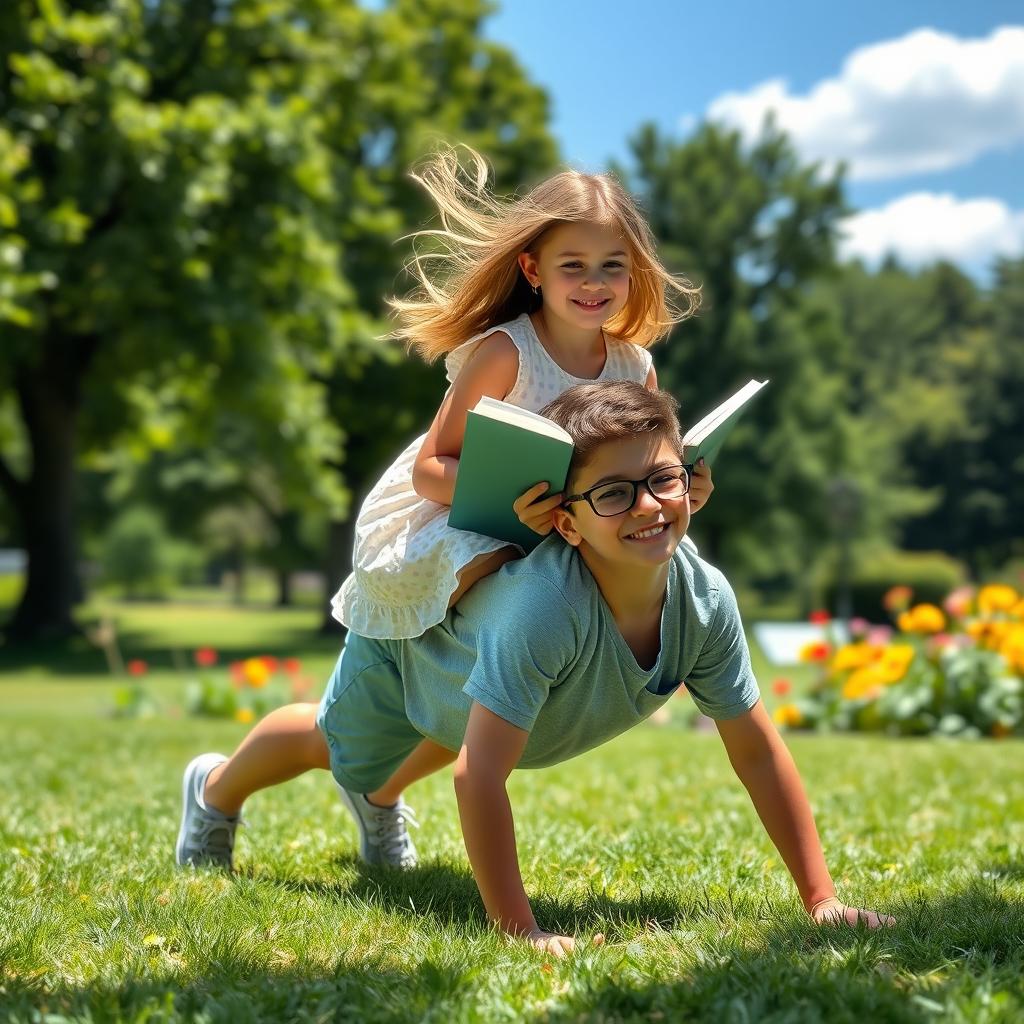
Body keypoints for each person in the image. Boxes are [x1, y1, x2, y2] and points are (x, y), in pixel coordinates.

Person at [176, 381, 895, 955]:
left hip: (476, 694)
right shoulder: (544, 609)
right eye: (614, 493)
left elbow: (758, 750)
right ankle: (214, 790)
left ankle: (379, 802)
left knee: (466, 728)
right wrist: (521, 930)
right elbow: (478, 775)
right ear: (566, 522)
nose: (647, 506)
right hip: (412, 656)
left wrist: (821, 900)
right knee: (334, 749)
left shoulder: (705, 601)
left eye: (664, 479)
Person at [332, 145, 710, 644]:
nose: (594, 282)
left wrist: (681, 487)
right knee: (510, 565)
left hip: (578, 523)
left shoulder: (634, 366)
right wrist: (516, 508)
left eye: (612, 266)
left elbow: (642, 474)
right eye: (572, 265)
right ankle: (464, 675)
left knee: (677, 564)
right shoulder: (508, 352)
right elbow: (429, 470)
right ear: (534, 271)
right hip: (464, 517)